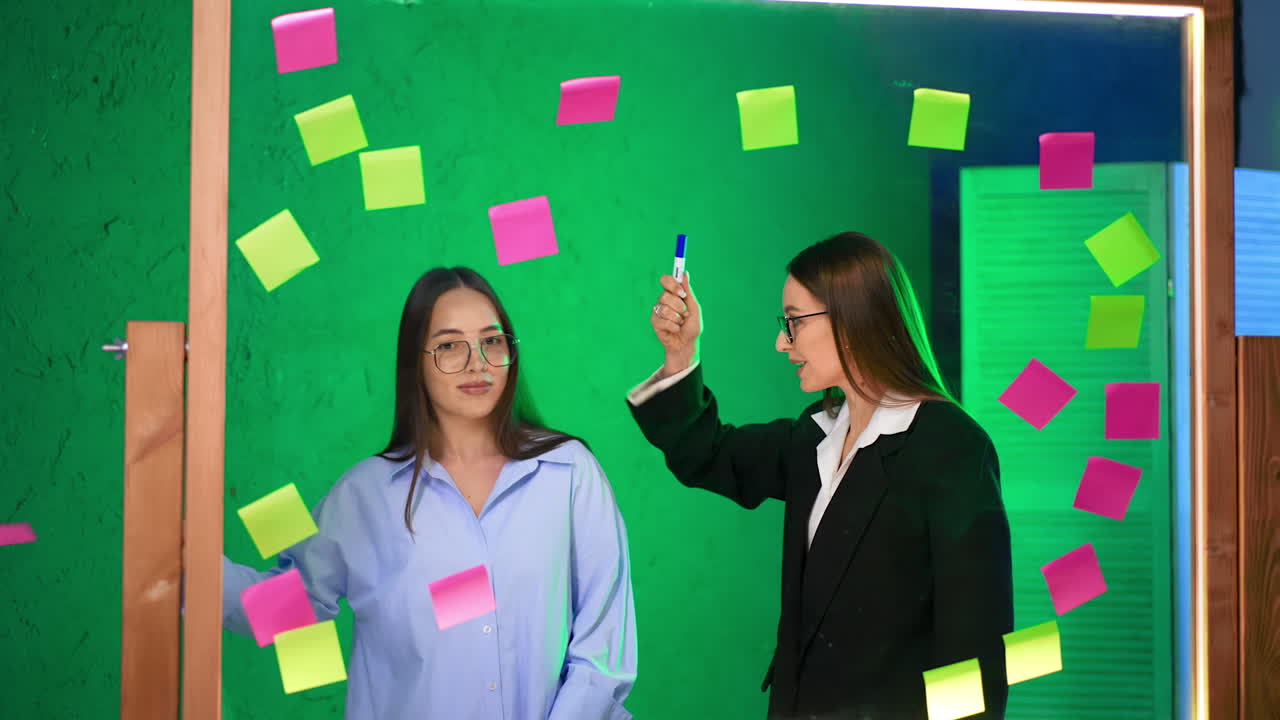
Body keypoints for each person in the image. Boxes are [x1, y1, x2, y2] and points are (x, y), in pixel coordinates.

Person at [627, 232, 1012, 719]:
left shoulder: (951, 447)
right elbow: (707, 452)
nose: (781, 342)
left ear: (852, 319)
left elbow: (976, 660)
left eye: (794, 321)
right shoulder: (816, 433)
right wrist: (682, 354)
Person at [223, 267, 637, 720]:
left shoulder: (569, 473)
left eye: (492, 341)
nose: (477, 362)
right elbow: (289, 604)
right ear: (414, 363)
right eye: (449, 346)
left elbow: (602, 651)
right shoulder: (366, 495)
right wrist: (184, 568)